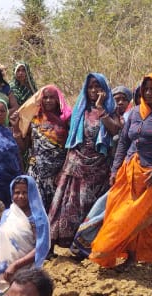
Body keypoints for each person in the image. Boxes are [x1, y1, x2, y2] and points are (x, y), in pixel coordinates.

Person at [90, 72, 152, 274]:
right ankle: (131, 257)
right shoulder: (133, 114)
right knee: (124, 214)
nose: (148, 93)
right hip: (131, 172)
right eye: (145, 88)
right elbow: (124, 141)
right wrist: (116, 169)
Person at [49, 73, 121, 247]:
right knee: (69, 205)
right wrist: (65, 168)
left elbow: (115, 131)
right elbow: (72, 141)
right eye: (90, 87)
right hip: (76, 165)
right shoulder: (80, 110)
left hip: (98, 168)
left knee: (90, 206)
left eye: (98, 86)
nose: (94, 90)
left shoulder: (111, 110)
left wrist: (101, 108)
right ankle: (62, 242)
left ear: (104, 90)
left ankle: (82, 245)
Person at [0, 176, 50, 296]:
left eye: (25, 192)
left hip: (21, 273)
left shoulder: (37, 218)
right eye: (17, 192)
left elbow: (41, 248)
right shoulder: (7, 214)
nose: (21, 196)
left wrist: (16, 265)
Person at [18, 85, 71, 208]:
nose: (48, 100)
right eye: (45, 97)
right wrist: (16, 128)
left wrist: (64, 170)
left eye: (51, 97)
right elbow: (26, 146)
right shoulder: (35, 119)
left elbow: (71, 147)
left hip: (58, 173)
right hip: (37, 172)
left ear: (58, 99)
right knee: (36, 207)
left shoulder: (67, 120)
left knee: (55, 208)